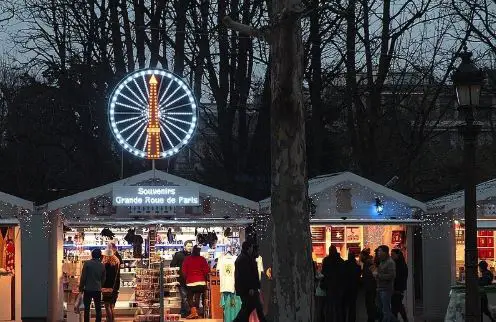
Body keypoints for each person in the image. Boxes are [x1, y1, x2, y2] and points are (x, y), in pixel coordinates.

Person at [233, 241, 267, 322]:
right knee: (253, 308)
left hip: (246, 289)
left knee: (248, 309)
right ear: (249, 248)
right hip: (248, 289)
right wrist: (250, 288)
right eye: (251, 247)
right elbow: (246, 276)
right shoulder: (244, 259)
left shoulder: (244, 258)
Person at [182, 245, 210, 319]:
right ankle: (196, 312)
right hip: (201, 282)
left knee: (189, 297)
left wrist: (186, 278)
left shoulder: (187, 259)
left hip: (191, 281)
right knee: (198, 296)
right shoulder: (202, 259)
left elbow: (184, 271)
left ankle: (194, 312)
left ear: (192, 251)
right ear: (199, 251)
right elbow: (207, 271)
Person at [79, 248, 106, 322]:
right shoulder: (102, 265)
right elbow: (103, 279)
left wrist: (81, 288)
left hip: (87, 289)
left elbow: (83, 277)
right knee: (98, 309)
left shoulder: (87, 263)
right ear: (100, 255)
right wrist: (100, 285)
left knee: (87, 309)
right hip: (97, 289)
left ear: (92, 255)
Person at [374, 245, 397, 322]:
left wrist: (378, 275)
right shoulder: (382, 262)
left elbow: (392, 275)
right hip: (380, 288)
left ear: (385, 252)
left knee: (385, 310)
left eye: (380, 251)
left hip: (386, 289)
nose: (378, 253)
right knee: (382, 309)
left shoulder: (390, 262)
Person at [321, 245, 344, 322]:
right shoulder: (341, 261)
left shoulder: (326, 260)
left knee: (329, 307)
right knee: (338, 307)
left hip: (329, 286)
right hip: (339, 286)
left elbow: (323, 272)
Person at [171, 240, 193, 317]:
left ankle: (183, 312)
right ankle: (189, 312)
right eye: (188, 246)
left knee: (186, 297)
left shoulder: (193, 256)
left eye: (191, 246)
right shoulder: (178, 255)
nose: (190, 248)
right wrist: (176, 274)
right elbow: (172, 265)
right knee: (184, 297)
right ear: (184, 246)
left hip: (190, 280)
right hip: (181, 280)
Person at [101, 249, 120, 322]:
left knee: (107, 306)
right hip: (114, 287)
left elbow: (105, 277)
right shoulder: (116, 263)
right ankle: (112, 320)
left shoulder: (107, 265)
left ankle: (110, 320)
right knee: (111, 306)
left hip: (107, 287)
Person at [343, 250, 361, 322]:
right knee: (352, 306)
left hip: (345, 287)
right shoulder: (357, 266)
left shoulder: (345, 264)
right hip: (354, 288)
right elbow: (358, 277)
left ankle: (344, 319)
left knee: (344, 306)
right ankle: (352, 320)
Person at [360, 249, 377, 322]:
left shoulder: (369, 264)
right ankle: (371, 318)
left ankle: (371, 319)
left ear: (364, 256)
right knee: (370, 304)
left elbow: (375, 274)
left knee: (370, 304)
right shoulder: (368, 263)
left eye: (360, 256)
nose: (359, 257)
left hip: (370, 288)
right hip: (369, 287)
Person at [391, 249, 408, 321]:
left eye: (393, 254)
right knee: (397, 306)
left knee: (396, 306)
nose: (391, 256)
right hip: (397, 288)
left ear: (397, 255)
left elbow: (398, 277)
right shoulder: (398, 263)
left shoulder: (400, 265)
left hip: (398, 289)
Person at [108, 243, 122, 309]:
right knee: (112, 301)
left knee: (109, 302)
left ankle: (110, 318)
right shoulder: (118, 257)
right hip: (116, 281)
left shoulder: (112, 258)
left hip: (111, 282)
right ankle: (111, 317)